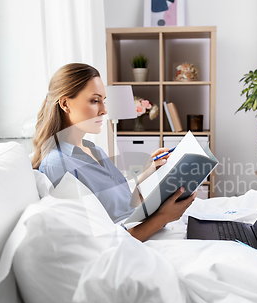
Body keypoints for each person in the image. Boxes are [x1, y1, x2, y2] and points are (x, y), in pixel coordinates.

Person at [31, 63, 196, 241]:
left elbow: (125, 206)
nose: (104, 110)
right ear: (65, 104)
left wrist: (148, 173)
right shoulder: (57, 165)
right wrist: (163, 216)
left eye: (104, 100)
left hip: (149, 229)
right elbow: (99, 241)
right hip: (133, 243)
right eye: (95, 100)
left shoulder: (95, 150)